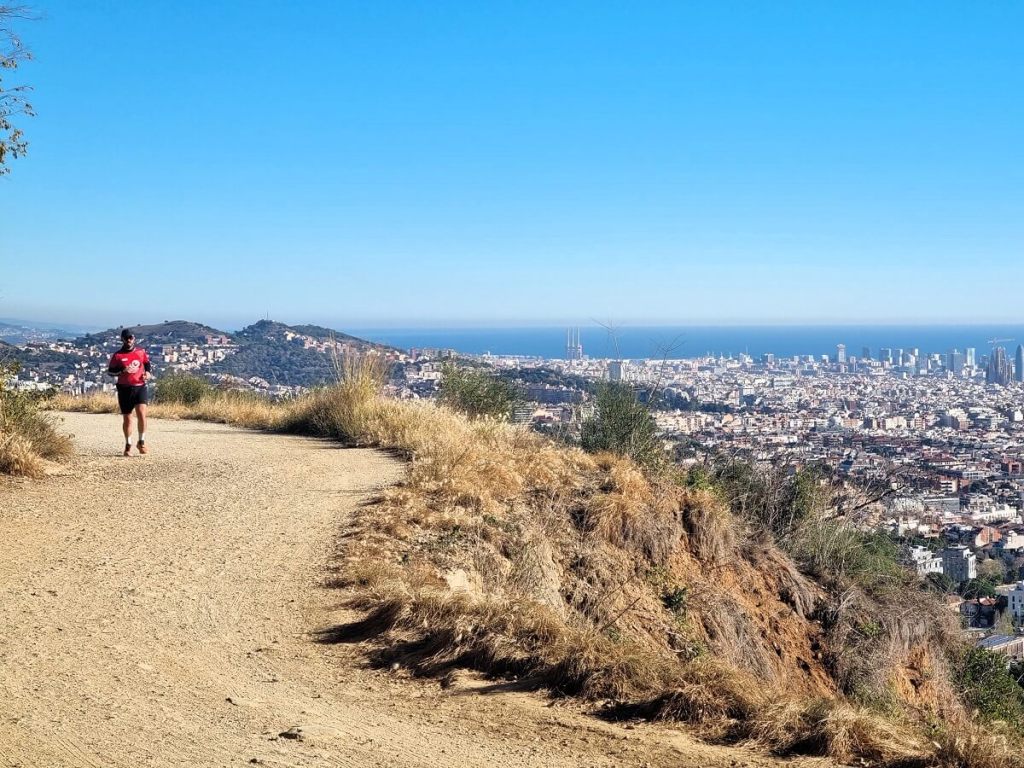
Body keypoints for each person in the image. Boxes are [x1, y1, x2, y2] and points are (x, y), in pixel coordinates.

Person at [107, 328, 152, 456]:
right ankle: (128, 444)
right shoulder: (118, 356)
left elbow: (147, 363)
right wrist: (122, 371)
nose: (129, 340)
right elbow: (110, 372)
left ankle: (141, 442)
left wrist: (147, 373)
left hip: (140, 386)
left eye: (131, 338)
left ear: (134, 339)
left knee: (142, 413)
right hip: (124, 389)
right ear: (122, 339)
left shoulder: (140, 352)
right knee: (128, 419)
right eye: (126, 338)